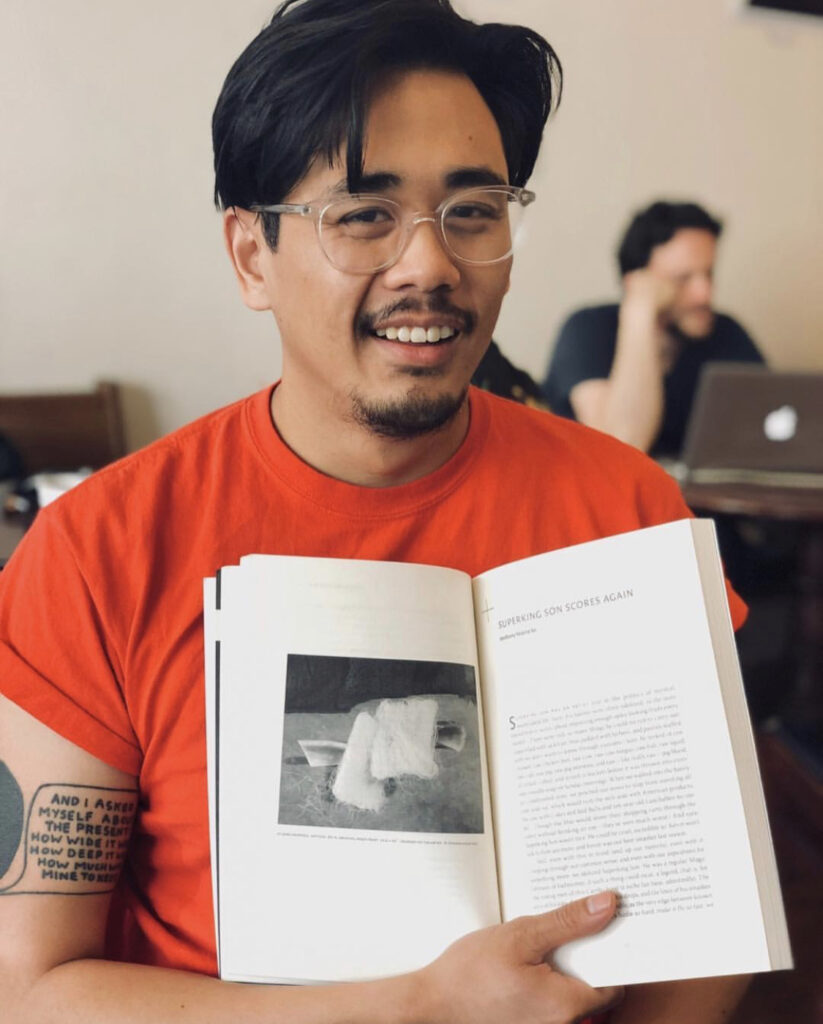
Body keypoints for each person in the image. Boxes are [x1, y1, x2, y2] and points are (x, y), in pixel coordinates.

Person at [0, 2, 750, 1021]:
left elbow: (702, 930)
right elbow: (31, 985)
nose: (431, 264)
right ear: (250, 256)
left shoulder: (625, 507)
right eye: (363, 214)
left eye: (474, 211)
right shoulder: (99, 549)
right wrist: (415, 1007)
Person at [543, 201, 764, 455]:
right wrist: (640, 310)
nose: (705, 294)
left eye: (709, 274)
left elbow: (774, 429)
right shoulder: (587, 329)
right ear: (636, 282)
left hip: (691, 495)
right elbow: (622, 445)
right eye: (683, 279)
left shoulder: (727, 333)